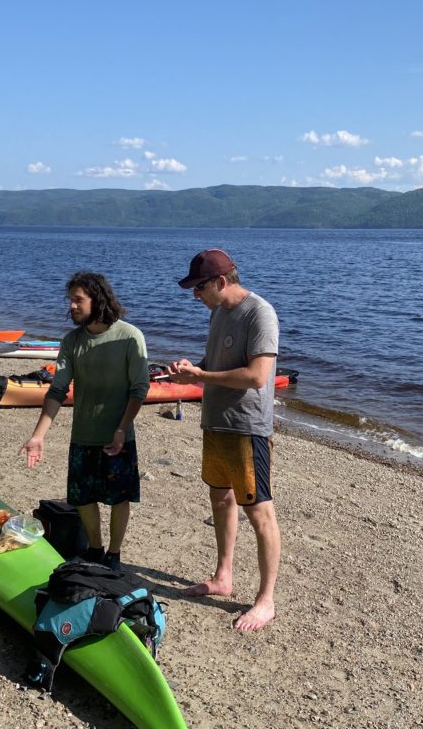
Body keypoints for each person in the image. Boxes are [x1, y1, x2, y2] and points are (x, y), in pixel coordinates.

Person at [168, 249, 282, 632]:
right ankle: (223, 577)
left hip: (246, 426)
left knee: (259, 511)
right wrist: (191, 370)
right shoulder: (218, 312)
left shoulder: (259, 313)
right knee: (220, 497)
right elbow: (216, 362)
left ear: (220, 282)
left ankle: (266, 601)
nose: (194, 295)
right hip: (215, 421)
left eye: (198, 287)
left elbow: (256, 377)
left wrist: (201, 375)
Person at [20, 272, 149, 571]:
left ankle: (114, 555)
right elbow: (57, 390)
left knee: (119, 498)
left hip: (118, 435)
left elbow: (139, 389)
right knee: (82, 497)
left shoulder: (130, 336)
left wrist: (121, 428)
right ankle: (94, 548)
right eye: (71, 300)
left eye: (78, 300)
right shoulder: (72, 341)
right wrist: (39, 435)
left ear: (98, 299)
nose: (72, 306)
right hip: (83, 435)